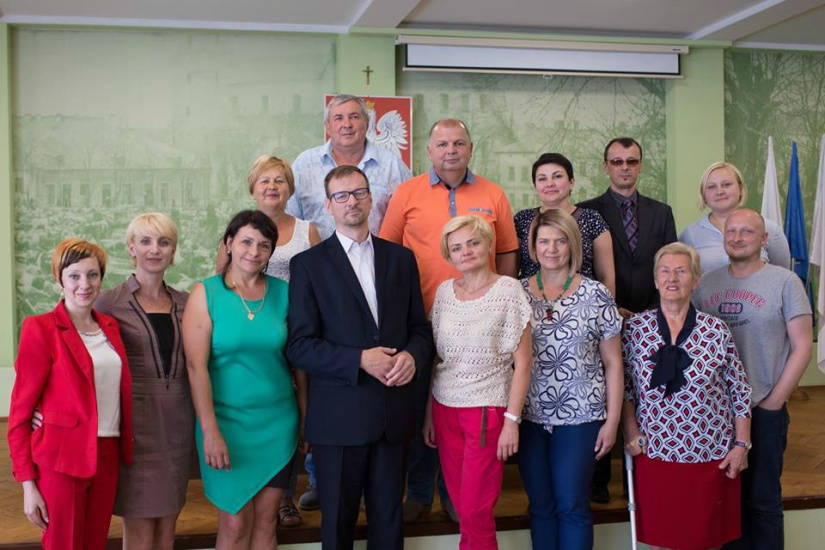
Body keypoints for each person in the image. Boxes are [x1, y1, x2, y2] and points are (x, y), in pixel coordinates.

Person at [286, 165, 433, 549]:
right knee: (337, 528)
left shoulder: (401, 259)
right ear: (328, 205)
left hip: (392, 417)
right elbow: (299, 346)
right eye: (341, 195)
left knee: (389, 528)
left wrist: (413, 357)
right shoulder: (309, 265)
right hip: (339, 422)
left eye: (358, 193)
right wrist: (359, 360)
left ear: (371, 199)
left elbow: (420, 330)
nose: (351, 201)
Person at [380, 118, 519, 522]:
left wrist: (501, 302)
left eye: (459, 143)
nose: (451, 151)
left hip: (479, 327)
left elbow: (507, 253)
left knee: (466, 415)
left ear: (471, 148)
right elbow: (387, 254)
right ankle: (420, 492)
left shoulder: (493, 193)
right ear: (429, 151)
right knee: (425, 409)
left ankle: (457, 496)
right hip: (421, 323)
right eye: (442, 144)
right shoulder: (407, 193)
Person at [695, 209, 812, 549]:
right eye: (731, 231)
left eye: (747, 232)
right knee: (728, 503)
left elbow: (803, 347)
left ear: (763, 239)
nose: (737, 238)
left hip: (763, 407)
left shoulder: (785, 282)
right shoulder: (707, 284)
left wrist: (774, 401)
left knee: (763, 501)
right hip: (718, 414)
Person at [623, 242, 752, 550]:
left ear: (695, 280)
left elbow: (739, 389)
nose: (672, 278)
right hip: (655, 450)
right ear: (655, 280)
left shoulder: (716, 330)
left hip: (711, 454)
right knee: (662, 539)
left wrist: (741, 445)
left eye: (681, 271)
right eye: (665, 271)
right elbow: (626, 387)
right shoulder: (635, 328)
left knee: (706, 540)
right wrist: (630, 431)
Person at [7, 238, 133, 550]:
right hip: (61, 458)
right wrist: (28, 486)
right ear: (59, 279)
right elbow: (20, 415)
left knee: (95, 544)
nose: (84, 284)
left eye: (92, 275)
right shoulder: (40, 328)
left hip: (107, 454)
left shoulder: (111, 327)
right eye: (74, 275)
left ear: (101, 279)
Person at [183, 210, 299, 549]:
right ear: (229, 243)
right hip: (225, 425)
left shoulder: (284, 293)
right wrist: (210, 431)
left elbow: (299, 365)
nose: (254, 251)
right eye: (246, 242)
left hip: (278, 424)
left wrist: (306, 416)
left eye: (264, 245)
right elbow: (196, 368)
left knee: (266, 521)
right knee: (235, 524)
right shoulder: (205, 293)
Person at [216, 155, 319, 524]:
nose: (273, 186)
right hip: (257, 332)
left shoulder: (308, 231)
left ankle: (299, 487)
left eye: (280, 180)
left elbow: (323, 282)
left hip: (299, 330)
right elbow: (222, 285)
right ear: (253, 188)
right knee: (266, 407)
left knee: (297, 408)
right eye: (265, 180)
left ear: (290, 188)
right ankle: (275, 495)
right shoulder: (238, 232)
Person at [422, 215, 531, 550]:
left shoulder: (508, 290)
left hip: (487, 410)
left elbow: (524, 363)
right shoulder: (444, 293)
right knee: (460, 506)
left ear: (488, 245)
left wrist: (512, 422)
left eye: (473, 243)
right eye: (456, 248)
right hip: (444, 408)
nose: (465, 252)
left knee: (474, 509)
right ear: (449, 255)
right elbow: (437, 358)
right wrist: (428, 415)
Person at [578, 136, 677, 503]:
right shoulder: (587, 212)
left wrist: (656, 312)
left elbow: (668, 264)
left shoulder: (661, 212)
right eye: (617, 161)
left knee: (646, 397)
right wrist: (610, 307)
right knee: (605, 396)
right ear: (606, 166)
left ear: (640, 165)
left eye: (631, 161)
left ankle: (640, 478)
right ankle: (598, 480)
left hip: (650, 319)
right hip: (604, 319)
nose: (624, 167)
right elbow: (584, 267)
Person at [517, 209, 623, 550]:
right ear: (533, 247)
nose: (551, 249)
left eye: (560, 241)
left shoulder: (596, 294)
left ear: (573, 245)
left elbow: (613, 363)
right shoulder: (516, 293)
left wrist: (612, 422)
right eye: (544, 241)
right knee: (541, 508)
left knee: (572, 506)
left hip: (581, 416)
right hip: (528, 417)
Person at [93, 213, 193, 550]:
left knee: (167, 534)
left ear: (173, 251)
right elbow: (73, 353)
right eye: (146, 241)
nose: (155, 249)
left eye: (163, 242)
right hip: (135, 428)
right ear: (131, 248)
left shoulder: (187, 303)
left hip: (178, 426)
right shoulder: (108, 302)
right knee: (140, 537)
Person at [287, 94, 412, 239]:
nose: (347, 124)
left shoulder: (392, 165)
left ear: (367, 123)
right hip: (316, 253)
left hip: (377, 253)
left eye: (354, 117)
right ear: (327, 126)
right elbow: (289, 220)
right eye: (338, 118)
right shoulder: (304, 165)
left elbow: (410, 219)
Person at [514, 153, 616, 296]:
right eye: (542, 178)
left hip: (583, 302)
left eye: (557, 176)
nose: (550, 183)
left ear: (571, 182)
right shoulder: (521, 220)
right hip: (529, 300)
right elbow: (510, 274)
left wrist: (605, 306)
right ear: (535, 186)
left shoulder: (592, 219)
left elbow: (606, 277)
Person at [680, 161, 790, 274]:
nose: (719, 192)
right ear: (703, 195)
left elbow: (782, 277)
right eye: (712, 187)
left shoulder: (769, 228)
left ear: (740, 189)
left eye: (726, 184)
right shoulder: (689, 234)